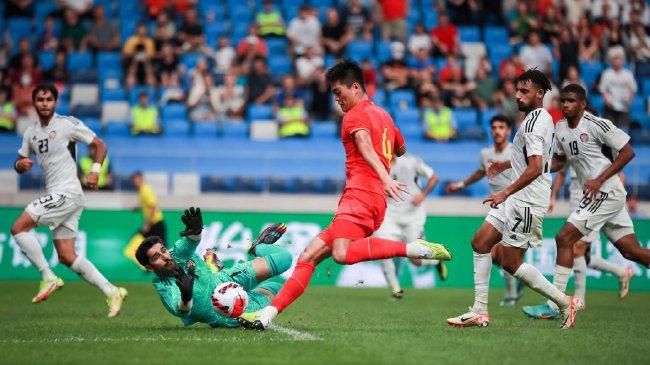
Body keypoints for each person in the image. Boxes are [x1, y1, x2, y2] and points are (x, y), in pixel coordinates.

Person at [238, 60, 452, 331]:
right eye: (333, 94)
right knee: (308, 257)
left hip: (360, 196)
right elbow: (400, 149)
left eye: (340, 92)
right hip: (373, 201)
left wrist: (385, 176)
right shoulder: (385, 116)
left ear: (355, 87)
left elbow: (364, 144)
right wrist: (384, 166)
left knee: (341, 254)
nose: (337, 99)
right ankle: (266, 315)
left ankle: (413, 248)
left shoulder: (353, 115)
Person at [446, 70, 581, 329]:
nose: (517, 96)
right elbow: (539, 162)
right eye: (517, 90)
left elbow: (534, 167)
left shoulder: (533, 123)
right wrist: (507, 163)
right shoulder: (540, 119)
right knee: (480, 241)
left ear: (540, 94)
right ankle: (479, 311)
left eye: (524, 91)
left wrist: (504, 192)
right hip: (517, 197)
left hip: (525, 200)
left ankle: (564, 303)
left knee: (510, 263)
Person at [522, 84, 650, 319]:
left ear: (583, 104)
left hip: (606, 191)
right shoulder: (560, 128)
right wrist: (538, 169)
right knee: (630, 251)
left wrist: (599, 180)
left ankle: (554, 305)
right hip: (599, 194)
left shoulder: (596, 124)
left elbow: (628, 152)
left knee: (564, 238)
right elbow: (560, 161)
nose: (566, 105)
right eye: (563, 101)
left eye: (571, 101)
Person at [10, 84, 127, 315]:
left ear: (55, 102)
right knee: (66, 255)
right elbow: (20, 161)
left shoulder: (67, 124)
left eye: (49, 99)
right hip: (59, 194)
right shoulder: (30, 132)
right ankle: (112, 291)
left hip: (68, 192)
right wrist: (19, 165)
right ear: (34, 103)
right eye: (41, 99)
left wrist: (95, 170)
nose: (45, 103)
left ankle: (48, 276)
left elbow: (99, 144)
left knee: (18, 227)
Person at [136, 208, 293, 328]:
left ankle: (256, 247)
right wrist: (186, 295)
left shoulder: (176, 253)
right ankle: (237, 287)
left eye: (162, 250)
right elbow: (181, 309)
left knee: (285, 258)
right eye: (156, 257)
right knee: (278, 289)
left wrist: (196, 232)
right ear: (150, 268)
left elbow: (190, 242)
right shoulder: (165, 286)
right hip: (226, 310)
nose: (164, 256)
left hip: (228, 278)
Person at [446, 114, 523, 306]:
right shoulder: (486, 154)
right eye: (494, 127)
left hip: (515, 206)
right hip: (496, 207)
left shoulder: (516, 152)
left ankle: (511, 294)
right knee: (495, 253)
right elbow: (481, 171)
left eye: (501, 127)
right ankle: (516, 285)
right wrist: (462, 184)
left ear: (508, 130)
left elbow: (530, 174)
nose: (497, 131)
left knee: (500, 253)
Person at [537, 165, 632, 311]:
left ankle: (580, 299)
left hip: (594, 196)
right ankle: (621, 273)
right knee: (583, 256)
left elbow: (619, 170)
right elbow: (561, 172)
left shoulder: (598, 145)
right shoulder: (566, 143)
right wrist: (553, 195)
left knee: (576, 247)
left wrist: (616, 195)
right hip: (576, 196)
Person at [374, 153, 447, 300]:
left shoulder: (411, 162)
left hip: (412, 217)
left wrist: (423, 195)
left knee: (416, 260)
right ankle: (396, 291)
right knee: (382, 252)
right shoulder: (377, 165)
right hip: (389, 217)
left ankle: (436, 261)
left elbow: (434, 177)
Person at [132, 171, 167, 244]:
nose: (135, 182)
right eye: (134, 181)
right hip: (153, 224)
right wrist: (138, 207)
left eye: (136, 180)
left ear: (141, 179)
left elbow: (153, 206)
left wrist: (148, 224)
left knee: (161, 248)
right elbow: (147, 204)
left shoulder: (145, 190)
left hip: (155, 224)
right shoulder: (141, 190)